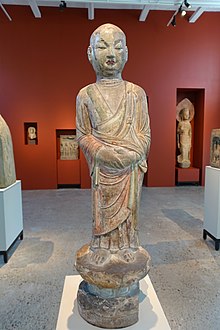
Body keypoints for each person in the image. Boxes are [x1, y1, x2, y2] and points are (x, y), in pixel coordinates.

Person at [76, 23, 151, 265]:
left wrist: (132, 154)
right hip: (103, 167)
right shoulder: (85, 95)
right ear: (90, 53)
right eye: (103, 47)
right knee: (102, 206)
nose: (111, 54)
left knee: (130, 208)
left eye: (117, 47)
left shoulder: (136, 93)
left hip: (129, 168)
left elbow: (145, 134)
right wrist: (103, 152)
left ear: (126, 54)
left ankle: (128, 243)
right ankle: (102, 244)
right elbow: (83, 134)